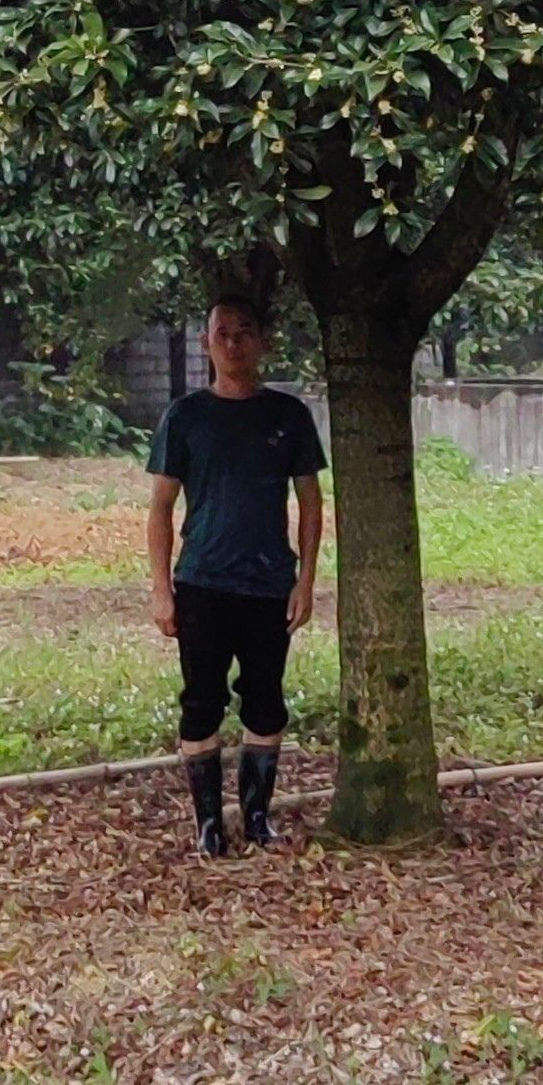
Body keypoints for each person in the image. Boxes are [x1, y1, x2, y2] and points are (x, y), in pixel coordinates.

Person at [145, 294, 323, 856]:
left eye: (244, 332)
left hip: (270, 583)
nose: (233, 343)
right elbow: (160, 508)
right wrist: (161, 589)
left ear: (262, 342)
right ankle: (207, 824)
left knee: (265, 701)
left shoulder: (287, 415)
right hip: (201, 582)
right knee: (201, 703)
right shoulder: (185, 417)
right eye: (222, 332)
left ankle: (256, 815)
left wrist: (307, 581)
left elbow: (312, 503)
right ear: (207, 343)